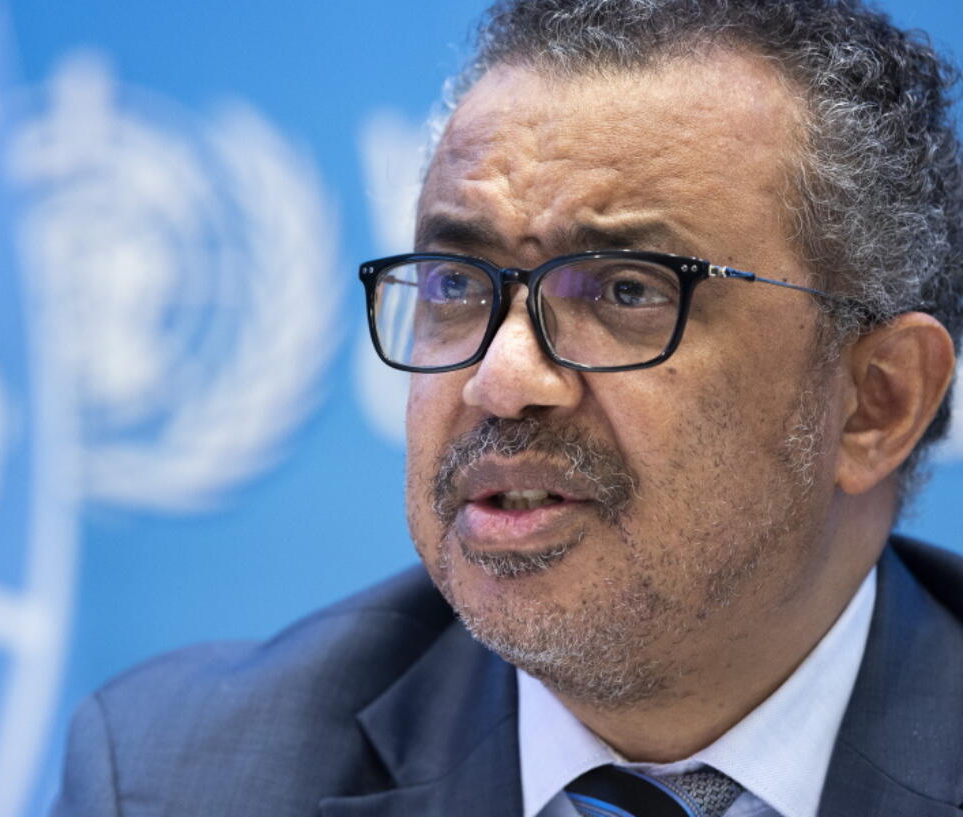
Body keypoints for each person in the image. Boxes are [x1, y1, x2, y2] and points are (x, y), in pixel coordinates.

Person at [51, 1, 963, 815]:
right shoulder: (181, 779)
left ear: (875, 403)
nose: (501, 377)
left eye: (627, 290)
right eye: (456, 281)